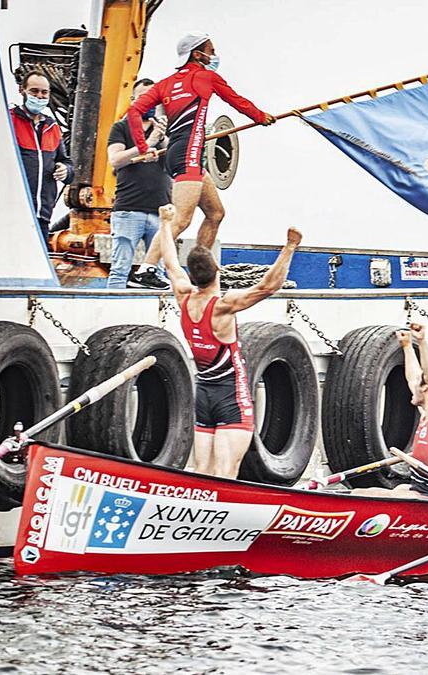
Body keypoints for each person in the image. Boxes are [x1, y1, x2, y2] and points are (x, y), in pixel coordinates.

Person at [157, 205, 299, 478]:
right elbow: (268, 287)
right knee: (225, 472)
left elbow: (170, 264)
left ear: (193, 275)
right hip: (230, 397)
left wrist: (166, 223)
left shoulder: (183, 297)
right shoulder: (222, 307)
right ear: (219, 270)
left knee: (202, 471)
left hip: (203, 395)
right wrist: (290, 247)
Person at [127, 32, 275, 254]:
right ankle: (146, 269)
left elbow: (133, 110)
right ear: (198, 54)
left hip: (178, 153)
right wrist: (261, 117)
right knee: (180, 221)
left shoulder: (165, 84)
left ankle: (199, 266)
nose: (214, 55)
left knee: (215, 213)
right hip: (189, 155)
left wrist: (143, 146)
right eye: (211, 51)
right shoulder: (206, 77)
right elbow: (237, 101)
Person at [106, 78, 171, 289]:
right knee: (120, 268)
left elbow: (176, 161)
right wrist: (145, 146)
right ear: (133, 100)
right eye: (143, 98)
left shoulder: (165, 129)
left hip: (160, 211)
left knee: (157, 273)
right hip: (129, 209)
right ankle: (111, 315)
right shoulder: (121, 127)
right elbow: (115, 159)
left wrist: (161, 139)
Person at [10, 70, 73, 241]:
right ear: (22, 90)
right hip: (14, 213)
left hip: (42, 214)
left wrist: (65, 170)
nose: (39, 96)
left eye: (44, 92)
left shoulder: (52, 127)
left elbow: (66, 162)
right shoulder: (9, 121)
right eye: (34, 91)